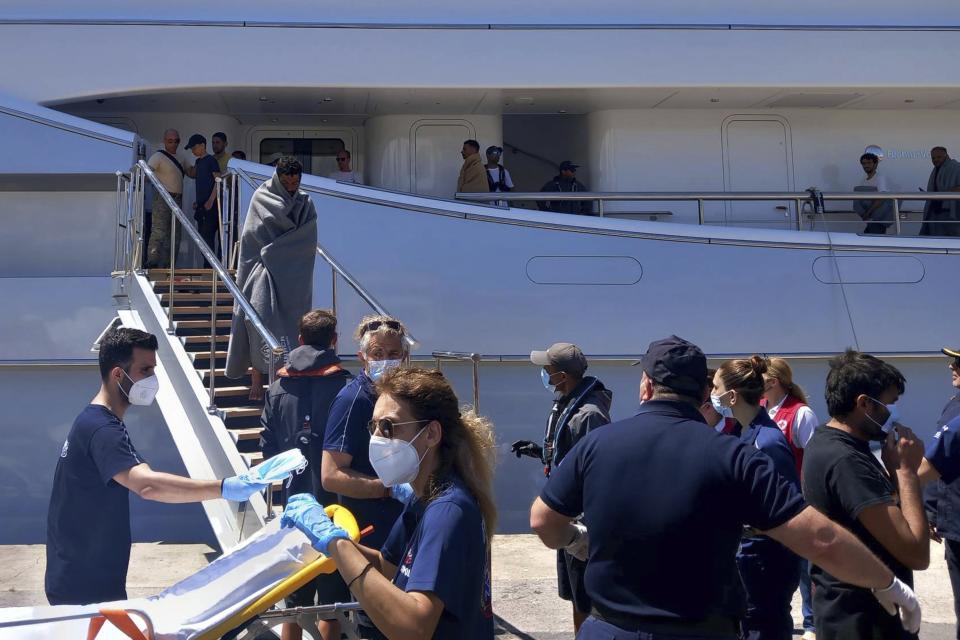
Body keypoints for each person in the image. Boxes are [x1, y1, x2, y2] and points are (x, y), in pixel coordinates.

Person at [529, 335, 921, 640]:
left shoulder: (598, 444)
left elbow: (543, 521)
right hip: (700, 629)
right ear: (703, 394)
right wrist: (887, 583)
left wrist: (576, 539)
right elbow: (820, 538)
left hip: (609, 627)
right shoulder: (734, 455)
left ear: (646, 385)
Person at [44, 328, 270, 606]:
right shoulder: (102, 429)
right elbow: (147, 485)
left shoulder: (95, 420)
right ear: (118, 375)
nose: (152, 379)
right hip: (85, 585)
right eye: (145, 370)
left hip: (82, 575)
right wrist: (226, 488)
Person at [285, 368, 496, 639]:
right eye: (373, 427)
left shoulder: (447, 510)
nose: (377, 438)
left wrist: (335, 543)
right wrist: (324, 541)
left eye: (388, 426)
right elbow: (387, 566)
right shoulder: (423, 497)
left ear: (431, 433)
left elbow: (415, 627)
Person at [802, 349, 928, 639]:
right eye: (889, 404)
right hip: (862, 621)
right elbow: (916, 553)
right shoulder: (846, 460)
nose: (893, 414)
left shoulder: (828, 442)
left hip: (848, 614)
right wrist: (906, 472)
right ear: (864, 404)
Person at [260, 309, 352, 640]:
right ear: (334, 340)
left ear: (299, 340)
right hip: (336, 508)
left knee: (295, 597)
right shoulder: (347, 387)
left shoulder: (277, 387)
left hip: (295, 506)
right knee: (332, 598)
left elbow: (268, 448)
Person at [512, 342, 612, 632]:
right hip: (566, 514)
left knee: (585, 599)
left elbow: (594, 468)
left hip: (581, 523)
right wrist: (537, 450)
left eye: (548, 370)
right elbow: (568, 456)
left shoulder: (590, 414)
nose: (544, 375)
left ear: (563, 376)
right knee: (574, 595)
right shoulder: (570, 403)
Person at [321, 315, 410, 639]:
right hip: (370, 534)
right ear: (362, 357)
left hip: (401, 532)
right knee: (373, 624)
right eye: (377, 353)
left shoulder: (400, 398)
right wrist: (386, 490)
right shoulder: (354, 401)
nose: (385, 360)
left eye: (393, 353)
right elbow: (331, 475)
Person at [713, 357, 800, 640]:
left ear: (732, 396)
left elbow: (786, 512)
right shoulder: (741, 432)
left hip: (765, 565)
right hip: (747, 561)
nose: (712, 395)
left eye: (716, 388)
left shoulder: (768, 442)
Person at [225, 156, 317, 402]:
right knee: (258, 321)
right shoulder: (261, 197)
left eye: (295, 181)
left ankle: (283, 378)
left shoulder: (306, 203)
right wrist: (271, 252)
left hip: (292, 276)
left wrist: (278, 250)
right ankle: (257, 378)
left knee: (290, 327)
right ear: (277, 177)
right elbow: (252, 238)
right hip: (261, 271)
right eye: (286, 181)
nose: (291, 186)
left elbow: (307, 239)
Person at [761, 357, 820, 640]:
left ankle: (812, 623)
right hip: (764, 505)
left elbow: (815, 460)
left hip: (796, 503)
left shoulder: (800, 413)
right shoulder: (759, 410)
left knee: (804, 568)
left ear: (772, 381)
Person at [920, 346, 960, 640]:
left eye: (957, 362)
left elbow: (931, 465)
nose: (951, 367)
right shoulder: (954, 405)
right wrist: (932, 510)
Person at [145, 129, 185, 268]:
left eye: (176, 141)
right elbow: (146, 173)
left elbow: (192, 172)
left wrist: (205, 161)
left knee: (175, 234)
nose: (174, 143)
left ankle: (170, 265)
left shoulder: (181, 158)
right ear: (164, 141)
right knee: (159, 231)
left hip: (178, 199)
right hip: (162, 198)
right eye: (170, 141)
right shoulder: (158, 156)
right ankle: (152, 263)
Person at [183, 133, 222, 263]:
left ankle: (210, 269)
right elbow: (195, 176)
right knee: (203, 240)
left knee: (207, 238)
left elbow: (218, 181)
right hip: (202, 207)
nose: (193, 151)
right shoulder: (198, 162)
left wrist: (211, 200)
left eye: (194, 148)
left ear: (202, 146)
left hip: (211, 207)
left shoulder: (211, 160)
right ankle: (209, 267)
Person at [920, 146, 960, 237]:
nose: (935, 160)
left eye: (939, 157)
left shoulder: (956, 167)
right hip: (934, 214)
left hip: (950, 215)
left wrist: (945, 194)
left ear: (946, 156)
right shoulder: (937, 169)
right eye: (933, 158)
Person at [853, 152, 894, 235]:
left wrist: (867, 213)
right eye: (864, 163)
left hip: (878, 219)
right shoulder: (864, 180)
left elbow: (882, 197)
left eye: (869, 163)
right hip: (870, 220)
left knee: (875, 240)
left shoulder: (879, 178)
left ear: (875, 164)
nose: (866, 165)